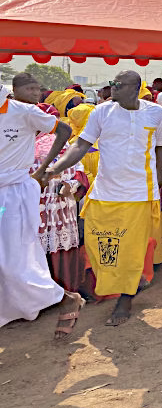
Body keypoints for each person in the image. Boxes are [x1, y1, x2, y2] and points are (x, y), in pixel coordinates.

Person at [44, 70, 162, 327]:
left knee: (132, 250)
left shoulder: (155, 113)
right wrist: (55, 168)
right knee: (97, 246)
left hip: (139, 194)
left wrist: (158, 180)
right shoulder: (102, 112)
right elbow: (81, 145)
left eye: (118, 85)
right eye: (112, 84)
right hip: (104, 193)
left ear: (135, 88)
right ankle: (129, 282)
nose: (112, 89)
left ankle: (126, 297)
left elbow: (161, 147)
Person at [1, 76, 84, 337]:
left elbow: (64, 131)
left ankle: (66, 298)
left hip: (15, 192)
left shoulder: (23, 111)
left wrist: (44, 172)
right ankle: (16, 309)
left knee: (14, 261)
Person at [32, 105, 89, 293]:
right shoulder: (64, 144)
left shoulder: (51, 144)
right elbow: (80, 175)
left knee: (39, 248)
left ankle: (45, 293)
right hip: (57, 206)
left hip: (45, 206)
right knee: (54, 247)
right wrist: (70, 187)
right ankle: (62, 289)